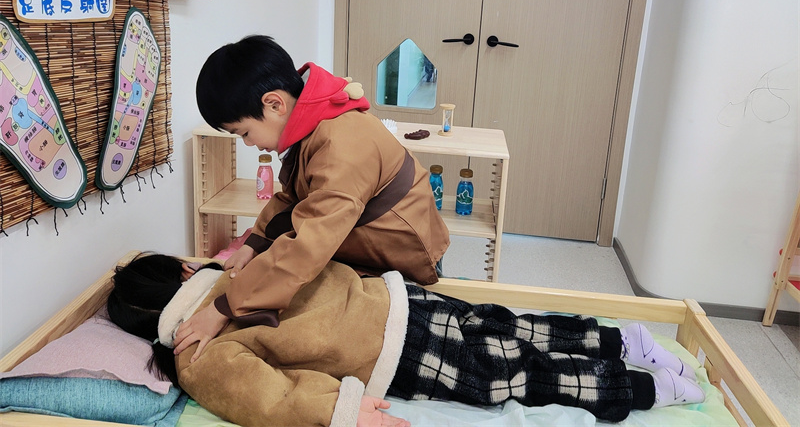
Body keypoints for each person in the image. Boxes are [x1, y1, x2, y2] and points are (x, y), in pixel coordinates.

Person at [107, 253, 705, 427]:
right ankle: (624, 341)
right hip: (394, 299)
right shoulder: (238, 267)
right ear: (183, 270)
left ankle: (643, 389)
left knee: (514, 374)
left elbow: (269, 398)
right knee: (512, 326)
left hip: (397, 354)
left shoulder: (195, 354)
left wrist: (341, 409)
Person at [185, 35, 450, 356]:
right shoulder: (312, 120)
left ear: (274, 104)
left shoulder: (341, 145)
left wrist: (225, 307)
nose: (249, 143)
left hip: (402, 250)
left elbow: (310, 243)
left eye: (244, 133)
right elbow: (294, 197)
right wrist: (254, 243)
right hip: (366, 240)